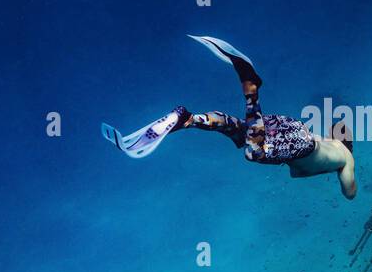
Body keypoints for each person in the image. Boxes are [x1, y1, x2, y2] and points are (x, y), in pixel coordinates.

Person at [102, 36, 357, 200]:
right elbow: (350, 193)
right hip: (301, 144)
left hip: (295, 129)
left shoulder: (328, 142)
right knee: (254, 152)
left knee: (240, 131)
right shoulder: (346, 159)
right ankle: (251, 87)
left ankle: (188, 119)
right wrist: (338, 173)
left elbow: (297, 165)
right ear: (349, 144)